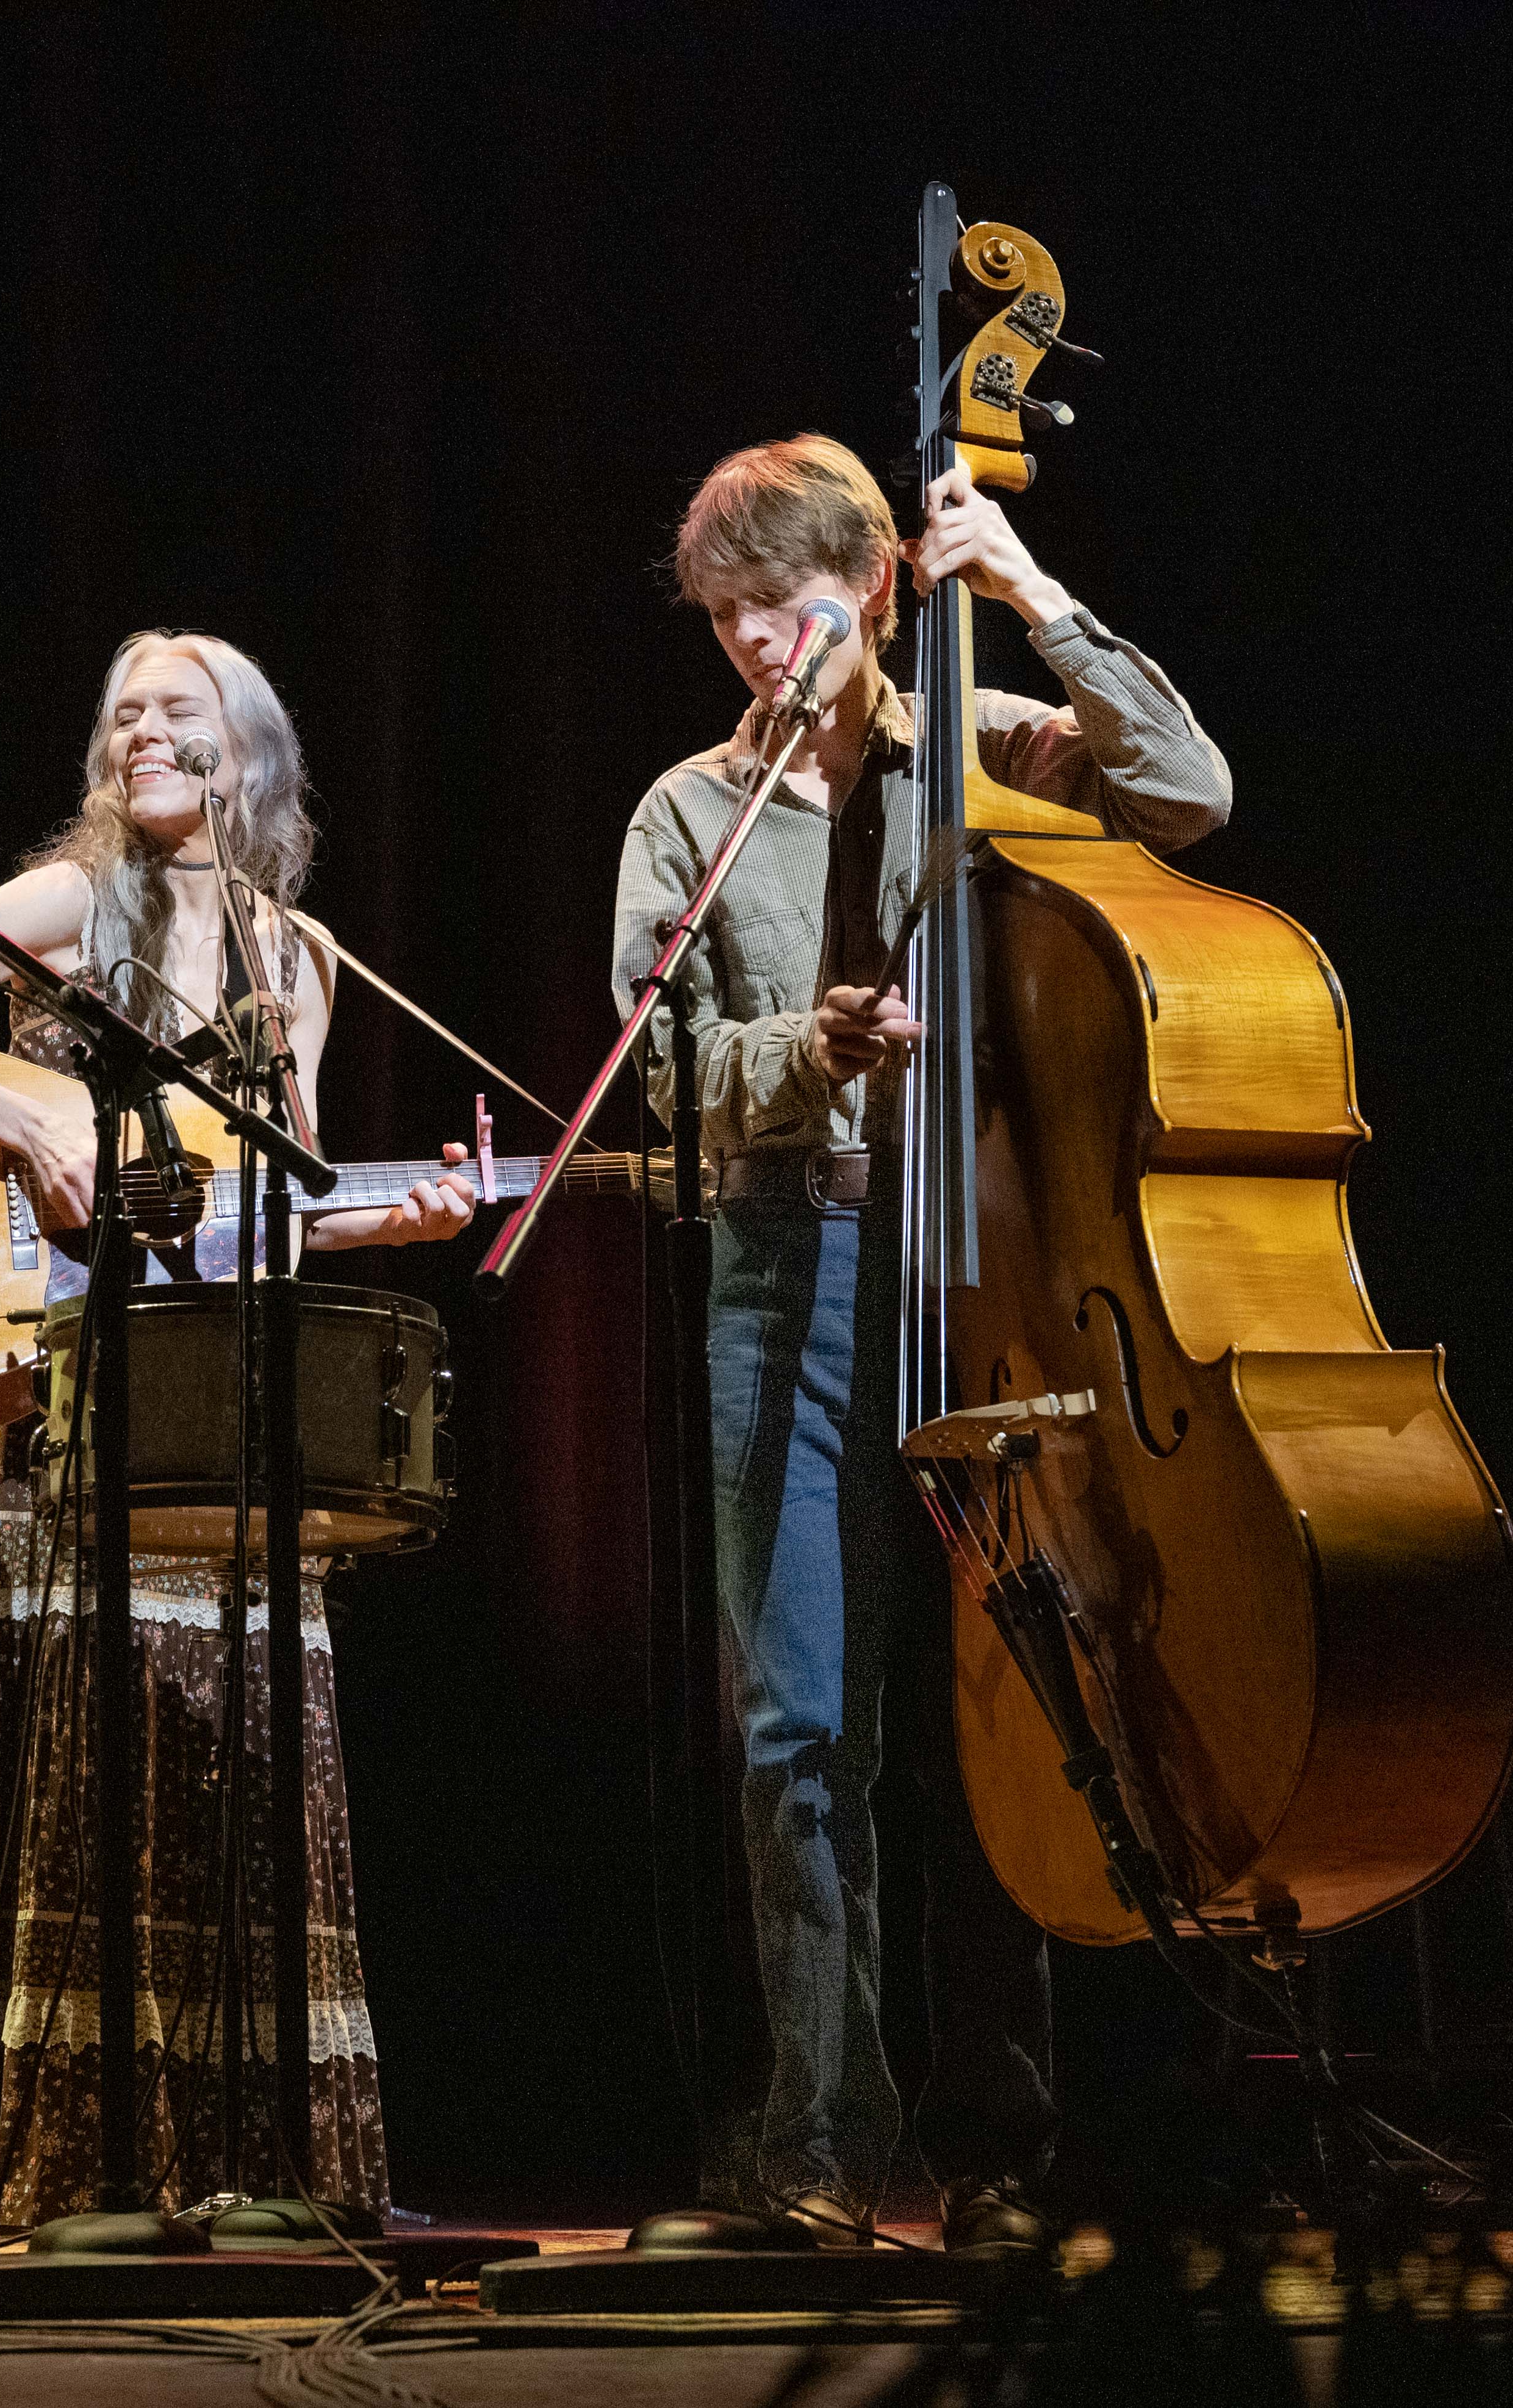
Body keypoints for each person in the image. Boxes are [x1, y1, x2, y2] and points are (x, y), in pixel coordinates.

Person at [611, 436, 1233, 2253]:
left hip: (987, 1272)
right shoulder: (687, 813)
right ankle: (819, 2134)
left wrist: (1028, 588)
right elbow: (662, 1074)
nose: (756, 642)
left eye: (788, 605)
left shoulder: (991, 748)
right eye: (726, 614)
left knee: (1002, 1714)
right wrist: (799, 1050)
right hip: (785, 1264)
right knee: (799, 1722)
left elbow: (1190, 790)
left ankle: (999, 2148)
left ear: (878, 589)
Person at [0, 630, 475, 2225]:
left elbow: (270, 1212)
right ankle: (62, 2169)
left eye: (181, 711)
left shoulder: (297, 959)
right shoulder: (64, 904)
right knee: (81, 1767)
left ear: (252, 754)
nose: (147, 732)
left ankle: (238, 2168)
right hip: (56, 1386)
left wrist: (399, 1219)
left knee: (224, 1770)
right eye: (124, 714)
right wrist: (24, 1131)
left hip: (219, 1404)